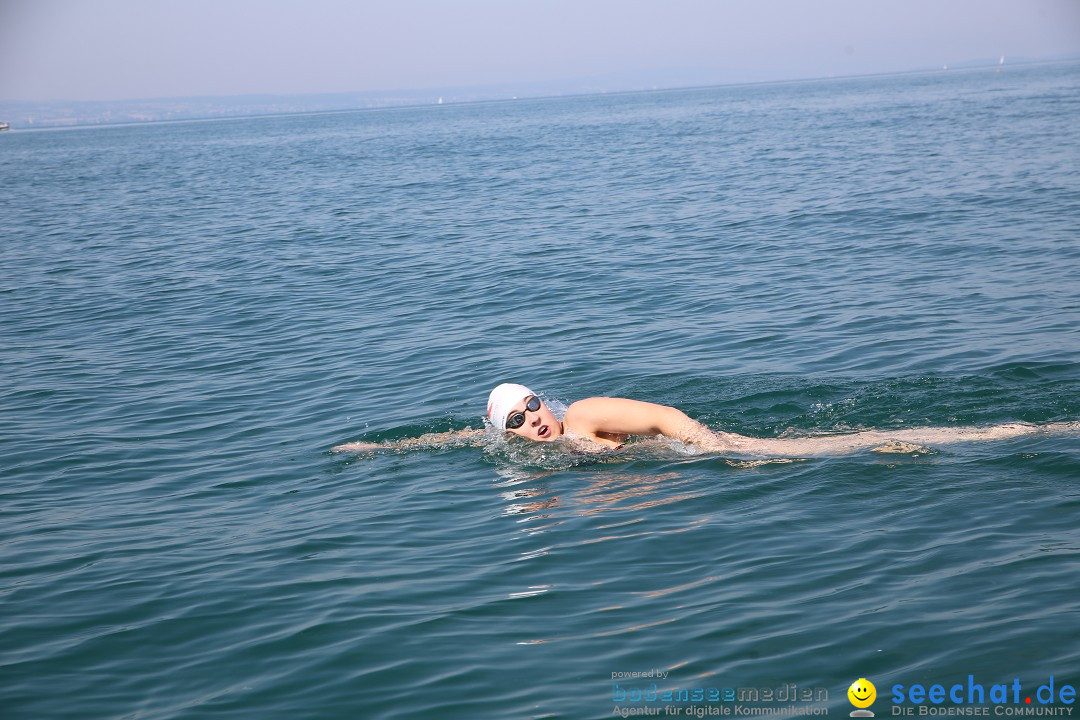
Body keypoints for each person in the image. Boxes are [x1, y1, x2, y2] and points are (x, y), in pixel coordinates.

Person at [332, 383, 1075, 456]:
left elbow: (665, 415)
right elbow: (456, 438)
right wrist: (379, 446)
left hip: (718, 449)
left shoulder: (584, 415)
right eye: (519, 421)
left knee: (861, 446)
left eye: (533, 406)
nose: (534, 421)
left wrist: (721, 450)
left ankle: (1026, 431)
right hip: (701, 461)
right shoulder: (532, 451)